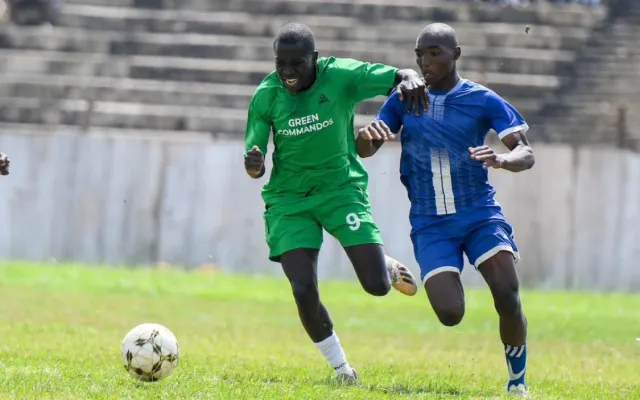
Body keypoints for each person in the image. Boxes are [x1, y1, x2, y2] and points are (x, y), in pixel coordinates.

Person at [357, 23, 534, 397]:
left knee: (506, 291)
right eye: (420, 54)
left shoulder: (483, 99)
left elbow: (525, 152)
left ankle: (517, 383)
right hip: (431, 222)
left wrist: (503, 159)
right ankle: (395, 269)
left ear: (456, 54)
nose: (425, 61)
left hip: (478, 213)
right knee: (451, 314)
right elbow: (365, 147)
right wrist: (367, 136)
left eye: (434, 52)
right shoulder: (404, 98)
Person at [244, 23, 426, 384]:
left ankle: (382, 265)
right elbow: (256, 160)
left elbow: (396, 76)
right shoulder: (266, 95)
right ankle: (342, 371)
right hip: (289, 200)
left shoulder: (340, 75)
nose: (288, 72)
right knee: (302, 289)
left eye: (297, 63)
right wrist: (254, 164)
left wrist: (408, 77)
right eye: (281, 63)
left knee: (375, 286)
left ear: (315, 58)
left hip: (340, 190)